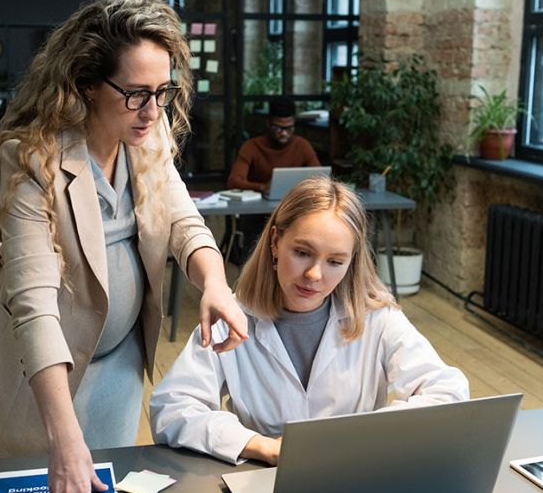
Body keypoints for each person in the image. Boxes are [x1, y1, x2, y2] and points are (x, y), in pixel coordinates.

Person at [0, 0, 248, 493]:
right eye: (137, 93)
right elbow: (35, 306)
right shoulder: (31, 160)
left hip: (117, 362)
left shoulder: (146, 131)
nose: (154, 110)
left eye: (164, 91)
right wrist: (64, 438)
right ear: (88, 84)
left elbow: (183, 219)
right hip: (41, 377)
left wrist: (215, 283)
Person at [150, 177, 469, 465]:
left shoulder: (378, 319)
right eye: (302, 252)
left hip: (355, 477)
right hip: (261, 480)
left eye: (334, 261)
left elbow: (449, 393)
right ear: (275, 241)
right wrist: (261, 446)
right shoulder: (231, 318)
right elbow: (171, 408)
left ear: (351, 262)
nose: (314, 275)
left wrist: (368, 434)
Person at [226, 96, 320, 195]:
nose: (284, 133)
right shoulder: (251, 146)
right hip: (259, 206)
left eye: (289, 128)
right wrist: (262, 187)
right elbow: (233, 182)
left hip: (292, 204)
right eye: (278, 128)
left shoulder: (302, 145)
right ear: (268, 123)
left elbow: (321, 180)